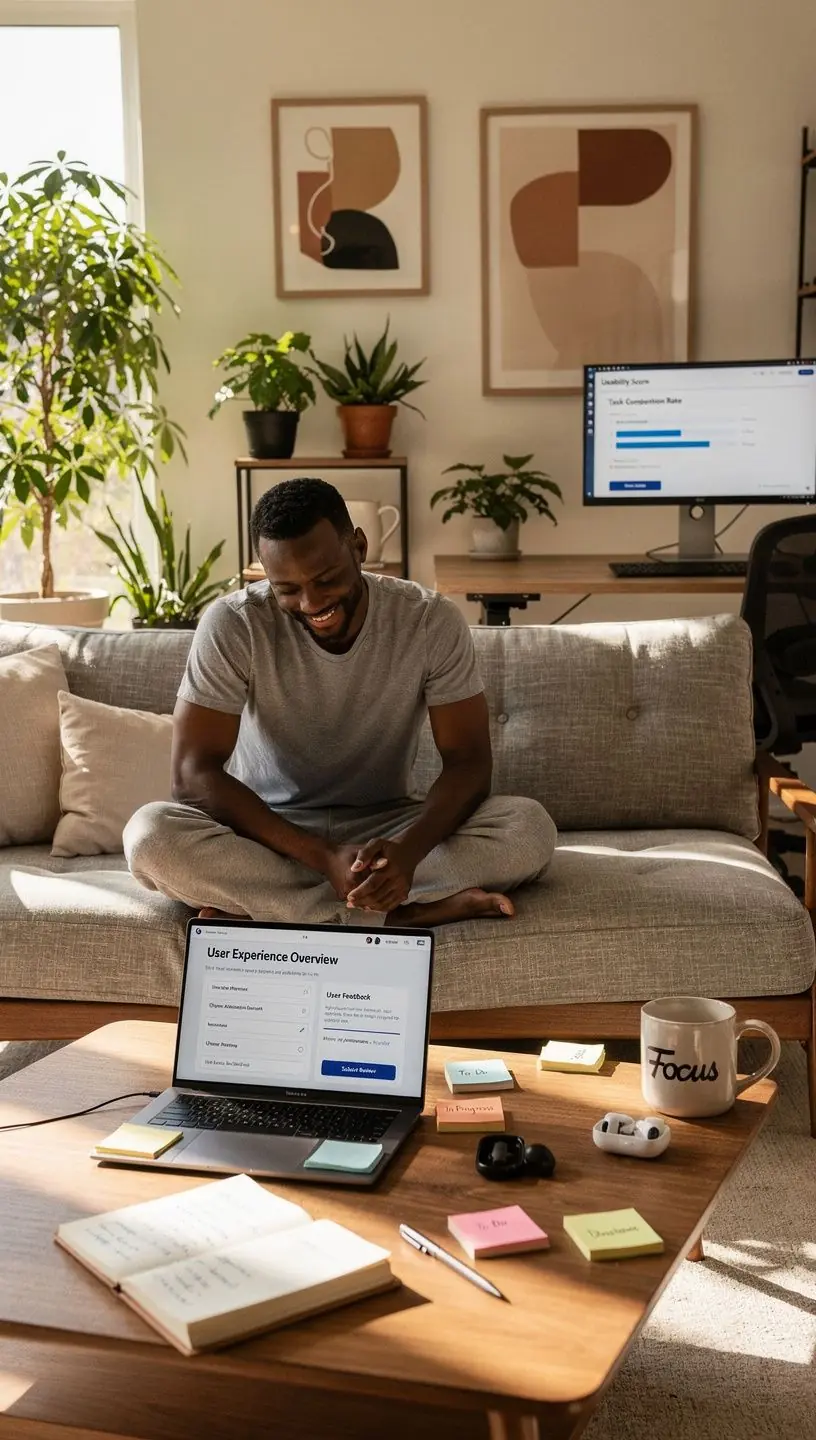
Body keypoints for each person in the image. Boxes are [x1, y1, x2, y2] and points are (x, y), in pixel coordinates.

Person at [124, 478, 556, 928]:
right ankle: (403, 915)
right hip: (269, 834)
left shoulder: (429, 620)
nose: (311, 603)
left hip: (388, 828)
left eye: (326, 579)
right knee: (150, 836)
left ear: (359, 546)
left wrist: (408, 854)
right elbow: (192, 775)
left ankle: (270, 908)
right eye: (286, 589)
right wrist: (321, 856)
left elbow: (468, 761)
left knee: (529, 827)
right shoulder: (234, 625)